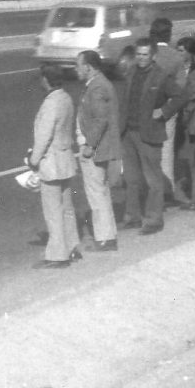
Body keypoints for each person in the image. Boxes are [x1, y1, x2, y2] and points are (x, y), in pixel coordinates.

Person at [116, 38, 182, 235]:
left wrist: (163, 111)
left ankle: (154, 220)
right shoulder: (131, 73)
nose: (141, 58)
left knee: (153, 180)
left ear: (153, 56)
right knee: (131, 178)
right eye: (138, 54)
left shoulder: (161, 76)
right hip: (129, 132)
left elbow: (181, 96)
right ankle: (132, 217)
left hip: (149, 134)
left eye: (145, 55)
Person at [27, 64, 80, 269]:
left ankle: (58, 255)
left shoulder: (50, 103)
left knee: (53, 210)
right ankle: (72, 246)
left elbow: (43, 136)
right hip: (66, 159)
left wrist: (34, 160)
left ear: (46, 80)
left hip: (51, 163)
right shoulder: (66, 98)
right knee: (67, 208)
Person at [75, 50, 121, 252]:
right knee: (100, 192)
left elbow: (100, 119)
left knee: (97, 194)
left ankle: (105, 239)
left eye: (78, 65)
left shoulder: (97, 87)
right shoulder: (97, 84)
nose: (76, 70)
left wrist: (89, 146)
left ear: (89, 67)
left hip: (95, 149)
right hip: (98, 147)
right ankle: (107, 236)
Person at [164, 36, 195, 214]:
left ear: (191, 53)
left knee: (194, 162)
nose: (180, 54)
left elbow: (188, 99)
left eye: (183, 51)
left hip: (194, 122)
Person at [149, 17, 183, 206]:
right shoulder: (175, 57)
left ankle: (150, 190)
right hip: (167, 111)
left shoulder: (147, 54)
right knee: (167, 151)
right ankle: (167, 192)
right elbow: (181, 88)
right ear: (169, 35)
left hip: (146, 109)